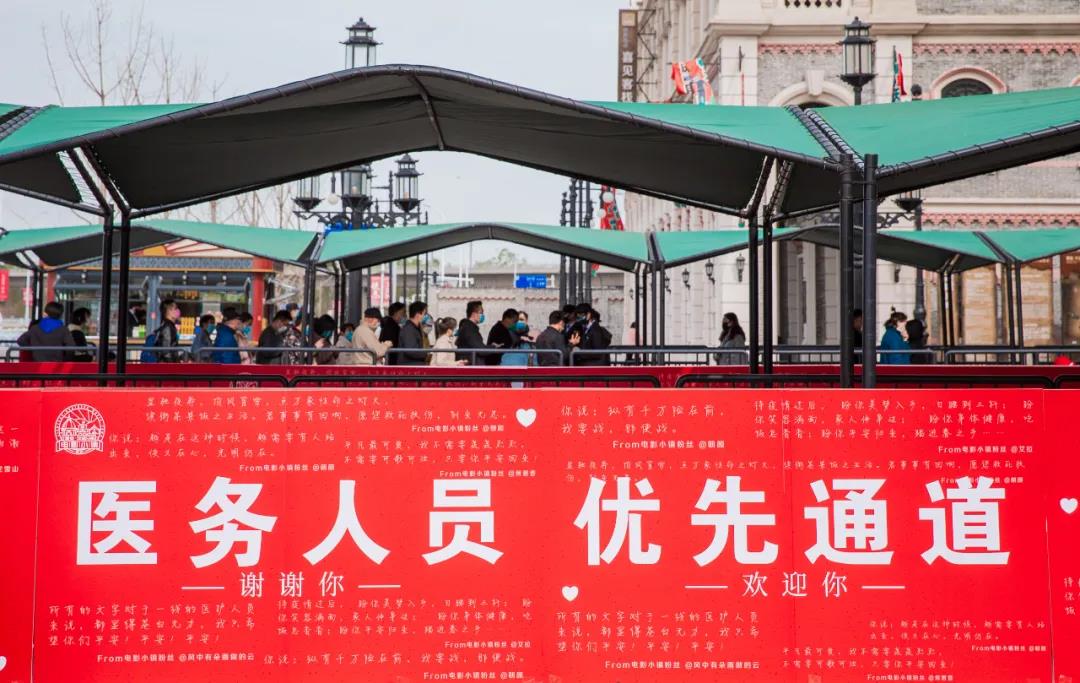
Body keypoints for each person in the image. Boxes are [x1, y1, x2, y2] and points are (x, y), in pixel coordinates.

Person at [145, 298, 183, 363]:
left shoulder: (166, 325)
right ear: (169, 311)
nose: (178, 311)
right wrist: (173, 365)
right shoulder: (168, 327)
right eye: (176, 308)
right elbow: (166, 351)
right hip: (166, 365)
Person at [396, 301, 429, 366]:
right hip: (409, 367)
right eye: (424, 314)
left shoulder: (416, 328)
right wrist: (426, 353)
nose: (426, 316)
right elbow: (411, 351)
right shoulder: (409, 330)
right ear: (417, 315)